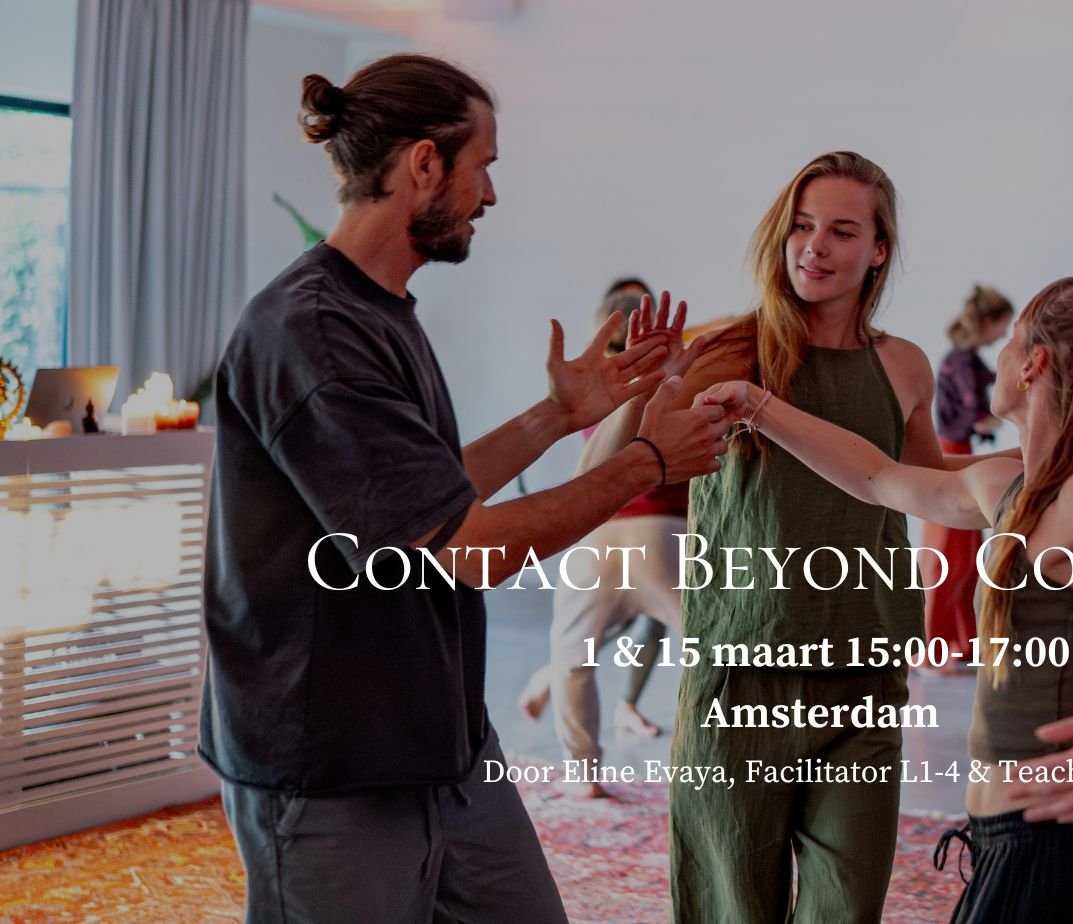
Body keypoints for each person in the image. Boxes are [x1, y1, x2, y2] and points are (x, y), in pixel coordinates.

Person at [200, 54, 728, 924]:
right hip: (331, 766)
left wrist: (559, 416)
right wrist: (647, 464)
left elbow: (425, 498)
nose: (490, 194)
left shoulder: (375, 311)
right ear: (423, 164)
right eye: (483, 166)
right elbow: (468, 550)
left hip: (439, 746)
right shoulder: (316, 332)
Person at [698, 275, 1073, 923]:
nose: (1000, 357)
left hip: (1059, 855)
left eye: (1010, 342)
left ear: (1034, 363)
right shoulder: (1012, 488)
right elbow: (879, 478)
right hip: (1007, 846)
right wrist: (757, 406)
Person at [579, 151, 996, 922]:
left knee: (847, 905)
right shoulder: (725, 349)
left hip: (863, 668)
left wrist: (1051, 466)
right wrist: (642, 389)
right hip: (742, 667)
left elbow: (926, 483)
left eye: (842, 231)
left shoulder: (904, 365)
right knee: (731, 905)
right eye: (802, 227)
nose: (815, 247)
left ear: (879, 250)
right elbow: (600, 475)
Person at [516, 278, 692, 797]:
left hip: (596, 535)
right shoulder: (678, 381)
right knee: (712, 652)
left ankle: (583, 773)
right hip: (664, 533)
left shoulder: (594, 388)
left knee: (573, 656)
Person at [923, 285, 1014, 663]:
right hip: (952, 453)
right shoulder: (962, 362)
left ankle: (960, 641)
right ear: (988, 322)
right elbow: (977, 413)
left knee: (964, 553)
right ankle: (937, 645)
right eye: (1003, 325)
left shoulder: (968, 360)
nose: (1004, 335)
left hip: (958, 452)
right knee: (949, 552)